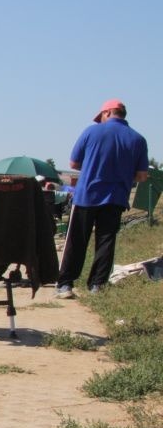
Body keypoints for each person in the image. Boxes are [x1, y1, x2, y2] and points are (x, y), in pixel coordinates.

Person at [56, 99, 149, 298]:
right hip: (115, 197)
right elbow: (142, 176)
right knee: (106, 241)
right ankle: (97, 285)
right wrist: (122, 173)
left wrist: (94, 166)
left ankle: (65, 285)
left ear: (107, 112)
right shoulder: (138, 139)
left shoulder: (91, 131)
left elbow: (74, 162)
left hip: (87, 195)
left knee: (77, 240)